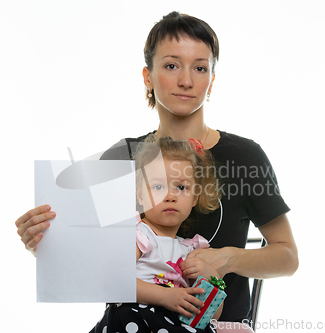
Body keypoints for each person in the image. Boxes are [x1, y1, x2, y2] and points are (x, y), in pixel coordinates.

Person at [16, 11, 298, 326]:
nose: (187, 81)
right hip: (134, 322)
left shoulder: (245, 156)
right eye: (171, 65)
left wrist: (228, 258)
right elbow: (91, 261)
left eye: (200, 68)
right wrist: (45, 244)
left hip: (215, 326)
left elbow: (287, 258)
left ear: (212, 80)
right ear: (148, 77)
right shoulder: (124, 157)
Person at [90, 135, 224, 333]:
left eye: (181, 187)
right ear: (140, 195)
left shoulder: (192, 250)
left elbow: (213, 314)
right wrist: (165, 296)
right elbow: (113, 280)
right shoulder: (138, 235)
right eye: (158, 186)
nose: (170, 196)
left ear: (195, 197)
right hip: (135, 319)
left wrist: (211, 276)